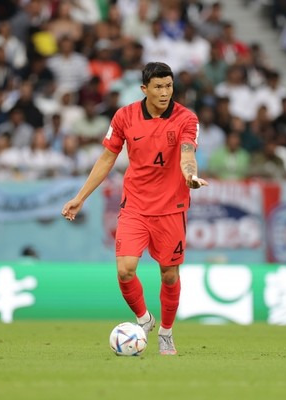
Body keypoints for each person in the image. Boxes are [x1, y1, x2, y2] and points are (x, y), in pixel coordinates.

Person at [62, 62, 208, 355]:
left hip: (171, 207)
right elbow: (107, 158)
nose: (165, 92)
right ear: (144, 89)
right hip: (135, 205)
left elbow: (187, 153)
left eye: (169, 86)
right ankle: (145, 319)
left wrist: (190, 175)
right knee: (125, 270)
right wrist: (81, 196)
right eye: (158, 87)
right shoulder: (124, 116)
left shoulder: (186, 118)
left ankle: (166, 332)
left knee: (169, 274)